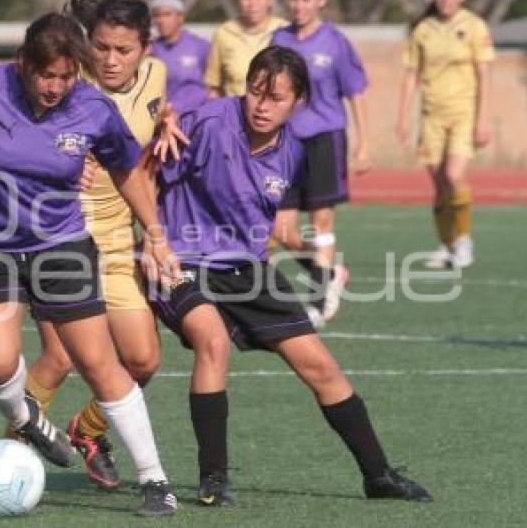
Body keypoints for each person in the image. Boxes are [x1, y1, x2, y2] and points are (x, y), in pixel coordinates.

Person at [149, 45, 432, 507]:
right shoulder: (203, 122)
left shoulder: (292, 153)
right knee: (211, 343)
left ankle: (378, 476)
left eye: (275, 97)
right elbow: (147, 173)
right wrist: (152, 237)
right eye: (256, 92)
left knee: (320, 365)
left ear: (297, 101)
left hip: (246, 269)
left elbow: (274, 227)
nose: (261, 105)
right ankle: (214, 479)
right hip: (184, 262)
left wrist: (314, 248)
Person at [0, 11, 178, 516]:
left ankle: (155, 479)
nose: (56, 87)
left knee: (98, 363)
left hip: (60, 243)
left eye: (66, 77)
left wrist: (156, 236)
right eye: (46, 75)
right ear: (23, 63)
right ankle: (29, 420)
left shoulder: (93, 108)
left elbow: (127, 171)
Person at [12, 0, 178, 492]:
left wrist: (169, 122)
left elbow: (149, 122)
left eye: (122, 49)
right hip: (59, 240)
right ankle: (9, 451)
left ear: (144, 49)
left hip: (117, 243)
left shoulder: (157, 77)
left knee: (144, 361)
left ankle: (86, 432)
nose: (110, 59)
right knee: (60, 358)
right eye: (100, 47)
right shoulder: (68, 87)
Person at [269, 0, 371, 325]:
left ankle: (319, 301)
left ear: (322, 0)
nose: (299, 5)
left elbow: (355, 91)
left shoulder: (335, 42)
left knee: (322, 219)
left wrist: (364, 143)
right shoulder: (278, 39)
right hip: (285, 143)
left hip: (325, 138)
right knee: (280, 229)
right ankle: (332, 271)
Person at [397, 0, 494, 269]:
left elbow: (484, 75)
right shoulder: (423, 29)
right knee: (439, 184)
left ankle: (464, 242)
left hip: (463, 112)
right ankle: (446, 245)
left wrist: (483, 118)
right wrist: (402, 117)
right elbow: (411, 75)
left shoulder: (475, 27)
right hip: (431, 116)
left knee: (454, 176)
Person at [204, 0, 287, 98]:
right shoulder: (224, 33)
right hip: (234, 113)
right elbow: (214, 86)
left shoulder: (285, 31)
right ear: (237, 0)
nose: (252, 4)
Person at [149, 0, 211, 113]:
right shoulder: (150, 50)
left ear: (180, 17)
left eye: (167, 14)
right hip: (162, 116)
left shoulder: (201, 46)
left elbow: (213, 86)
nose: (161, 20)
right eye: (157, 15)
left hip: (195, 114)